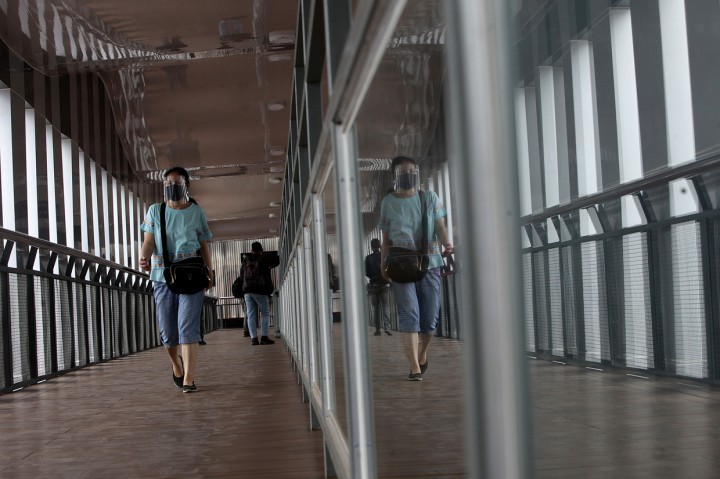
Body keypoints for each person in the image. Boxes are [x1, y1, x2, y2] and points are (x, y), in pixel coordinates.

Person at [139, 166, 214, 393]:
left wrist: (210, 269)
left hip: (191, 274)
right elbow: (149, 241)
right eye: (168, 184)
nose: (172, 188)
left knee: (187, 327)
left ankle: (189, 379)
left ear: (186, 185)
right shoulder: (155, 211)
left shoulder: (196, 212)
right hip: (162, 276)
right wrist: (143, 256)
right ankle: (176, 365)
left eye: (176, 183)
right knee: (168, 332)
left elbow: (203, 244)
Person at [379, 156, 453, 381]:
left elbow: (440, 226)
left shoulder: (429, 197)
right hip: (401, 264)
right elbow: (386, 239)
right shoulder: (388, 202)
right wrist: (384, 264)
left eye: (413, 170)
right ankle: (414, 368)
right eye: (404, 171)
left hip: (430, 262)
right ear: (395, 175)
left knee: (429, 318)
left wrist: (447, 243)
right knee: (409, 314)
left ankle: (422, 353)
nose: (409, 174)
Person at [241, 242, 280, 345]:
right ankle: (264, 337)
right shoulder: (264, 257)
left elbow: (242, 276)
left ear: (251, 250)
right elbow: (277, 260)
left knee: (251, 314)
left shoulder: (246, 260)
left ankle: (254, 339)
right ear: (261, 249)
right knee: (265, 313)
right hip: (260, 290)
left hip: (247, 291)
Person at [365, 238, 391, 336]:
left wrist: (372, 276)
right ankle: (387, 327)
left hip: (374, 285)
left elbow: (366, 272)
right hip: (385, 284)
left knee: (376, 308)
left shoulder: (368, 258)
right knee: (386, 306)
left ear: (371, 247)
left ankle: (378, 329)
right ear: (380, 246)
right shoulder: (384, 256)